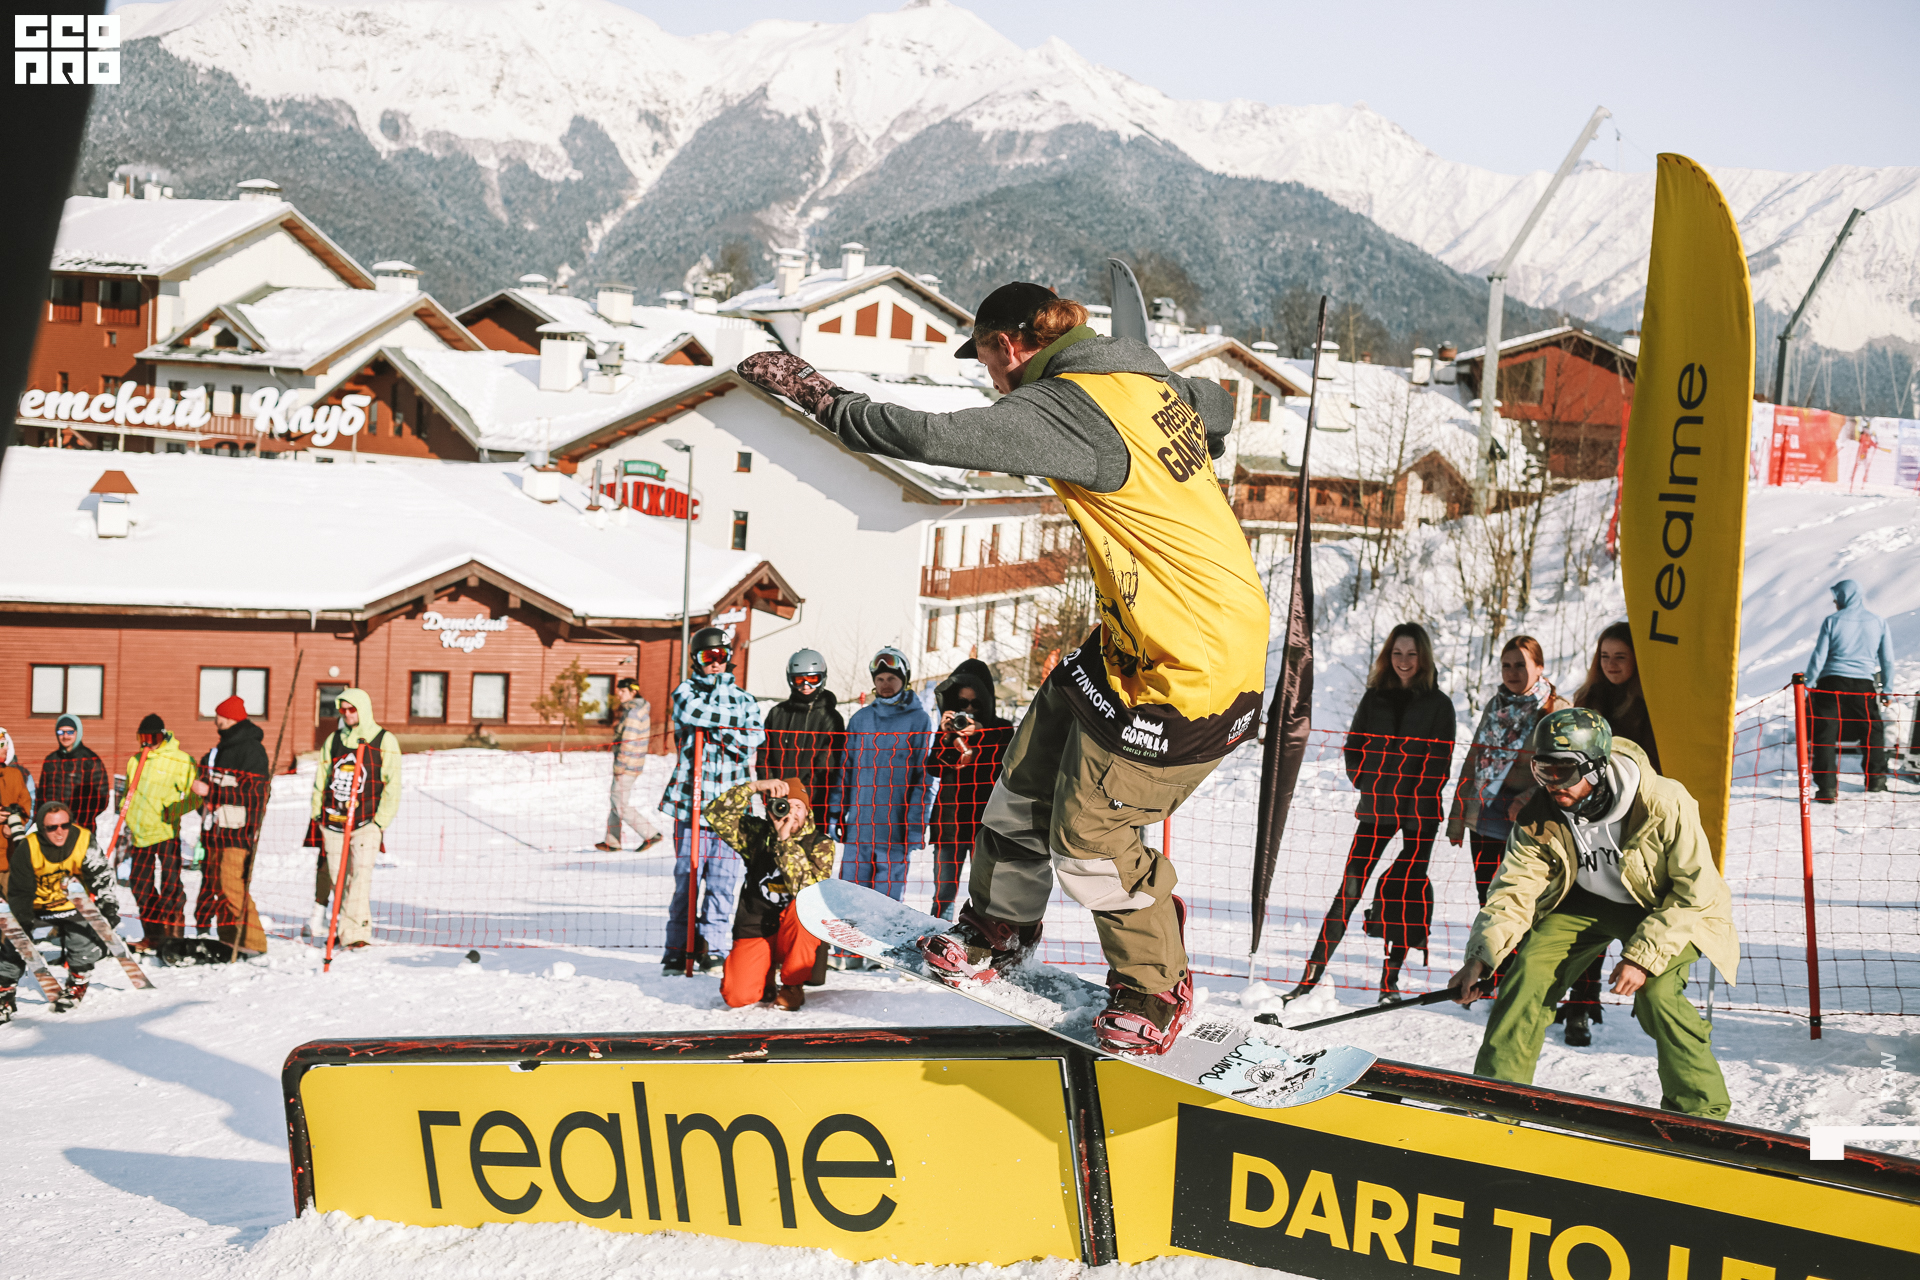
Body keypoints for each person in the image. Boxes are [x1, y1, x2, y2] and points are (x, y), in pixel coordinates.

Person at [739, 282, 1263, 1055]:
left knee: (1088, 838)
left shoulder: (1068, 405)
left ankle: (1155, 983)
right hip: (1140, 637)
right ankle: (1000, 925)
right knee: (1022, 780)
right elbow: (1216, 405)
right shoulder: (1143, 379)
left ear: (1010, 346)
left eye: (986, 361)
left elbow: (932, 436)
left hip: (1193, 671)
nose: (991, 381)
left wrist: (822, 398)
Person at [1448, 708, 1738, 1119]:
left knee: (1658, 996)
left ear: (1596, 768)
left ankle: (1700, 1113)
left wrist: (1642, 957)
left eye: (1563, 772)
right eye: (1542, 770)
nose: (1552, 783)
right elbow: (1513, 891)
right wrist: (1479, 958)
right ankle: (1497, 1099)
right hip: (1586, 901)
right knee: (1528, 973)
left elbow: (1695, 890)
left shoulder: (1662, 801)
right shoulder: (1541, 812)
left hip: (1663, 906)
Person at [1285, 623, 1455, 1006]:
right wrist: (1367, 782)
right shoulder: (1374, 698)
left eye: (1411, 654)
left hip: (1420, 816)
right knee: (1349, 890)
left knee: (1404, 895)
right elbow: (1354, 746)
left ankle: (1389, 982)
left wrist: (1414, 801)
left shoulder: (1439, 705)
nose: (1404, 661)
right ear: (1387, 656)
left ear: (1424, 657)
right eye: (1397, 653)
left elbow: (1439, 763)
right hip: (1376, 809)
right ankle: (1310, 977)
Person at [1555, 622, 1664, 1045]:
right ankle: (1577, 1002)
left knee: (1620, 913)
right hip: (1585, 823)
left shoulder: (1650, 704)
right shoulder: (1587, 701)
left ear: (1637, 660)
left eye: (1621, 656)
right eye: (1605, 657)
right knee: (1579, 916)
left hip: (1631, 826)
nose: (1612, 664)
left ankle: (1594, 1001)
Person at [660, 625, 764, 975]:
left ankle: (714, 948)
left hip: (731, 813)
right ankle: (678, 950)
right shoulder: (685, 692)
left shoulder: (746, 699)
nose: (715, 663)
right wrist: (731, 728)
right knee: (686, 884)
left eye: (721, 656)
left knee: (722, 884)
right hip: (691, 807)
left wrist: (718, 729)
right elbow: (692, 714)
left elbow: (754, 737)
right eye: (708, 657)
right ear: (696, 659)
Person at [1449, 636, 1568, 909]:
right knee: (1486, 897)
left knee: (1520, 899)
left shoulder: (1557, 710)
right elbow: (1474, 759)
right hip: (1485, 813)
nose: (1512, 672)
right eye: (1506, 665)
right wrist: (1458, 816)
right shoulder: (1496, 705)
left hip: (1527, 820)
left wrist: (1527, 799)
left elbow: (1563, 771)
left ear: (1539, 667)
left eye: (1520, 665)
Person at [706, 776, 834, 1011]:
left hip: (795, 929)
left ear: (808, 812)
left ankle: (792, 985)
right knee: (737, 996)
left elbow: (807, 892)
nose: (791, 813)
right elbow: (716, 814)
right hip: (757, 924)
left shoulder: (821, 844)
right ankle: (764, 975)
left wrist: (785, 842)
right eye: (785, 805)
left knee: (805, 908)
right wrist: (754, 787)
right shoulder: (757, 834)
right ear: (773, 808)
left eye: (798, 807)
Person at [835, 647, 932, 913]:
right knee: (850, 902)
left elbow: (923, 780)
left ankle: (880, 942)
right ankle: (848, 943)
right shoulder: (861, 719)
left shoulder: (919, 720)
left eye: (891, 678)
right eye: (879, 679)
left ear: (904, 680)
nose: (885, 684)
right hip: (859, 829)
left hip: (895, 831)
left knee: (885, 907)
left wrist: (915, 827)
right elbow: (845, 770)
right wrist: (836, 813)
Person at [2, 801, 118, 1018]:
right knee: (13, 944)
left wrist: (108, 907)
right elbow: (20, 893)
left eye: (65, 825)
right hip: (36, 905)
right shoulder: (28, 848)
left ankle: (77, 984)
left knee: (81, 942)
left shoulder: (83, 839)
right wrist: (22, 925)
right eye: (52, 827)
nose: (60, 832)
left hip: (70, 904)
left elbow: (101, 874)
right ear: (41, 828)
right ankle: (4, 993)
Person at [308, 689, 401, 950]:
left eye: (352, 709)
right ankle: (345, 928)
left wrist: (380, 821)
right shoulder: (335, 739)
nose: (347, 714)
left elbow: (393, 783)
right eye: (343, 709)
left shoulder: (384, 740)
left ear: (363, 709)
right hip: (333, 821)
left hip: (367, 821)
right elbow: (322, 775)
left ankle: (356, 933)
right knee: (338, 879)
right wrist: (317, 812)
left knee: (359, 876)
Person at [184, 696, 271, 960]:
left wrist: (211, 791)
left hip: (238, 831)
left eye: (219, 716)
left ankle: (254, 942)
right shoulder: (219, 751)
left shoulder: (252, 751)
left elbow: (253, 793)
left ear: (231, 718)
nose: (215, 720)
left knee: (231, 885)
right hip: (215, 829)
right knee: (218, 887)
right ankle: (230, 939)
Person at [926, 658, 1013, 921]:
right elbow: (934, 768)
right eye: (962, 703)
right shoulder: (950, 731)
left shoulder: (1002, 730)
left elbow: (1004, 769)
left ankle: (982, 938)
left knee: (985, 894)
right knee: (943, 894)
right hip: (949, 824)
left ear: (987, 701)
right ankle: (938, 935)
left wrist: (982, 733)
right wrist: (946, 737)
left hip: (985, 827)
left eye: (976, 703)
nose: (969, 710)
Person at [1806, 579, 1896, 801]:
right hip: (1863, 686)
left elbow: (1819, 657)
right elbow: (1887, 660)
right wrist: (1887, 690)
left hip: (1831, 684)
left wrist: (1807, 685)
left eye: (1836, 597)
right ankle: (1876, 780)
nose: (1835, 602)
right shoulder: (1878, 622)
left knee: (1825, 734)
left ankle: (1827, 788)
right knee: (1872, 731)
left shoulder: (1832, 621)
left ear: (1844, 597)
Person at [121, 714, 200, 954]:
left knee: (170, 885)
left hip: (166, 832)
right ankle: (153, 935)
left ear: (163, 736)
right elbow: (128, 793)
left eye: (152, 738)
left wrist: (175, 810)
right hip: (140, 834)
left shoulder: (181, 760)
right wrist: (126, 814)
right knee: (140, 884)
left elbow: (196, 796)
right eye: (142, 738)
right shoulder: (135, 761)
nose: (147, 743)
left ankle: (173, 937)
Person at [758, 649, 845, 838]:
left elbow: (826, 768)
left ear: (822, 678)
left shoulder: (830, 718)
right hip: (778, 803)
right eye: (799, 680)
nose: (806, 686)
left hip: (812, 808)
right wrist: (771, 793)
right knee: (775, 851)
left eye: (813, 679)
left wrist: (801, 803)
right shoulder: (778, 714)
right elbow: (764, 758)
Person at [597, 677, 663, 853]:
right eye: (618, 690)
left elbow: (628, 742)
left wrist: (620, 766)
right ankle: (612, 841)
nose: (619, 694)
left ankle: (651, 833)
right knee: (616, 801)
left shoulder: (634, 713)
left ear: (633, 692)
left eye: (623, 691)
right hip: (631, 763)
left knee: (619, 804)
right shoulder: (635, 710)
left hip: (627, 765)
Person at [38, 715, 108, 847]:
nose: (65, 736)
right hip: (53, 830)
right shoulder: (50, 760)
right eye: (61, 732)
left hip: (81, 827)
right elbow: (41, 796)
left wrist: (81, 819)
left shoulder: (90, 761)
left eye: (70, 732)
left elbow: (101, 797)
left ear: (77, 733)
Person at [0, 728, 34, 817]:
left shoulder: (18, 774)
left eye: (7, 743)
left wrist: (17, 822)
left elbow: (28, 808)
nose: (6, 748)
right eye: (2, 744)